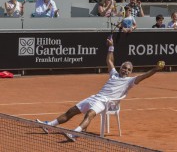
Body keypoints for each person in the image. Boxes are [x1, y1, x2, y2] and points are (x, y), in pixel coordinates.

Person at [36, 36, 165, 142]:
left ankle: (76, 133)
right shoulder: (114, 74)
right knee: (71, 111)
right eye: (124, 67)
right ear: (121, 68)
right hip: (95, 97)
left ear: (131, 72)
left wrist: (155, 69)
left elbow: (145, 76)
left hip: (106, 102)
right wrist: (111, 46)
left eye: (128, 69)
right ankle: (49, 126)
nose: (125, 70)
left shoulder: (130, 81)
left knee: (90, 114)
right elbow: (109, 60)